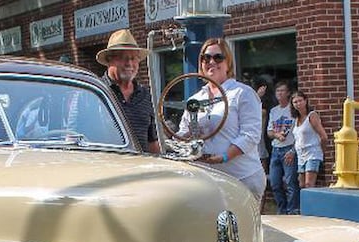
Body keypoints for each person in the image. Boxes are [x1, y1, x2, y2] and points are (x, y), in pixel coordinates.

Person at [175, 38, 266, 202]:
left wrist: (225, 156)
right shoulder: (195, 99)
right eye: (205, 57)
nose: (211, 62)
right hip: (209, 181)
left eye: (218, 57)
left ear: (228, 62)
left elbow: (250, 134)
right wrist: (179, 139)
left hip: (242, 178)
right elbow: (184, 133)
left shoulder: (242, 93)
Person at [96, 29, 160, 154]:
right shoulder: (94, 92)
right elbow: (72, 139)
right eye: (123, 58)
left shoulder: (145, 95)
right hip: (106, 169)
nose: (129, 63)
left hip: (139, 169)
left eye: (133, 58)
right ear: (109, 60)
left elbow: (152, 142)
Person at [267, 81, 299, 214]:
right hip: (276, 150)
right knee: (275, 183)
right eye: (277, 91)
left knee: (291, 183)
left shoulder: (293, 110)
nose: (279, 93)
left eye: (282, 91)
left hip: (289, 148)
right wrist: (276, 135)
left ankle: (292, 210)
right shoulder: (274, 111)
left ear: (288, 93)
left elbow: (299, 130)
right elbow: (269, 132)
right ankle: (282, 210)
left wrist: (293, 150)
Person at [290, 90, 328, 188]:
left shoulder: (312, 116)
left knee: (309, 184)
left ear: (305, 101)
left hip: (312, 153)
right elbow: (298, 139)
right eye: (295, 102)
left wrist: (321, 151)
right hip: (300, 154)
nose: (298, 104)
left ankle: (312, 203)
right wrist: (292, 151)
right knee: (301, 184)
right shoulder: (297, 119)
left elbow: (323, 136)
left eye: (300, 101)